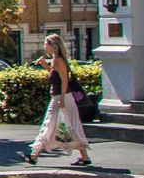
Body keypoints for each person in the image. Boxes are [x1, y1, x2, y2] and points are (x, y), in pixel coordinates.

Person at [22, 33, 92, 167]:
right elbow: (56, 77)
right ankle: (84, 157)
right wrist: (44, 65)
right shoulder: (55, 60)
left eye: (45, 44)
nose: (44, 46)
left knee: (49, 125)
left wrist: (63, 99)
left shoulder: (59, 60)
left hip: (62, 98)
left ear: (53, 46)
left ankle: (33, 155)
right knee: (69, 126)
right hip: (60, 97)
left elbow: (65, 80)